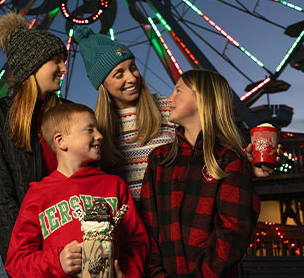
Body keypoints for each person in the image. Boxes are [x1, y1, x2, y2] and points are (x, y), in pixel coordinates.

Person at [73, 26, 280, 201]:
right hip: (130, 228)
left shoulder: (170, 108)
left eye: (133, 68)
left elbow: (206, 150)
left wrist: (245, 168)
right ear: (102, 85)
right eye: (119, 74)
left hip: (174, 218)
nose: (132, 78)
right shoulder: (97, 127)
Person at [5, 103, 148, 278]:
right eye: (90, 130)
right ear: (61, 141)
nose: (99, 135)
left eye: (97, 129)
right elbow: (17, 261)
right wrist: (58, 262)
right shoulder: (38, 194)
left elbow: (137, 243)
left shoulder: (115, 186)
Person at [140, 70, 260, 278]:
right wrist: (155, 277)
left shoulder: (229, 158)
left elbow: (233, 232)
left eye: (178, 90)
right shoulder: (160, 159)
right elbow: (147, 225)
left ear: (202, 99)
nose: (169, 98)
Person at [0, 12, 68, 278]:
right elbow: (1, 197)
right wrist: (19, 262)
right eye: (56, 61)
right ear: (33, 64)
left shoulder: (70, 113)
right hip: (20, 252)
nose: (64, 68)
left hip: (66, 249)